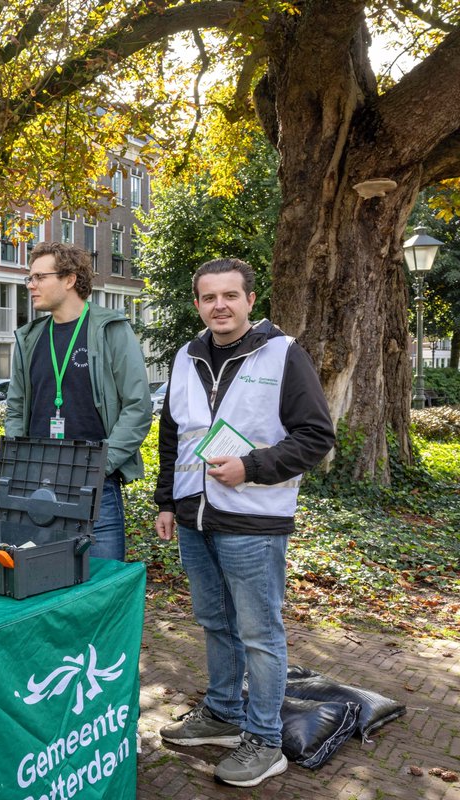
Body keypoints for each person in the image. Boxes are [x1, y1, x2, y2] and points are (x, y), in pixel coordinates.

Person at [153, 258, 334, 788]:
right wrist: (166, 502)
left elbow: (316, 436)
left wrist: (250, 467)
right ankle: (223, 713)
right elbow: (173, 434)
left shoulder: (283, 353)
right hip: (194, 516)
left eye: (230, 295)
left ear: (251, 300)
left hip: (253, 520)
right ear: (197, 304)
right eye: (209, 297)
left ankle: (265, 741)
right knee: (215, 622)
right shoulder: (186, 356)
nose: (220, 306)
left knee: (259, 633)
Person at [5, 242, 152, 560]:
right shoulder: (29, 337)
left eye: (39, 277)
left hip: (95, 486)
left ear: (69, 279)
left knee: (102, 582)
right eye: (30, 277)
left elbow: (138, 406)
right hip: (37, 484)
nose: (31, 285)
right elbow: (16, 406)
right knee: (44, 579)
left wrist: (102, 465)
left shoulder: (111, 330)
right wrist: (19, 462)